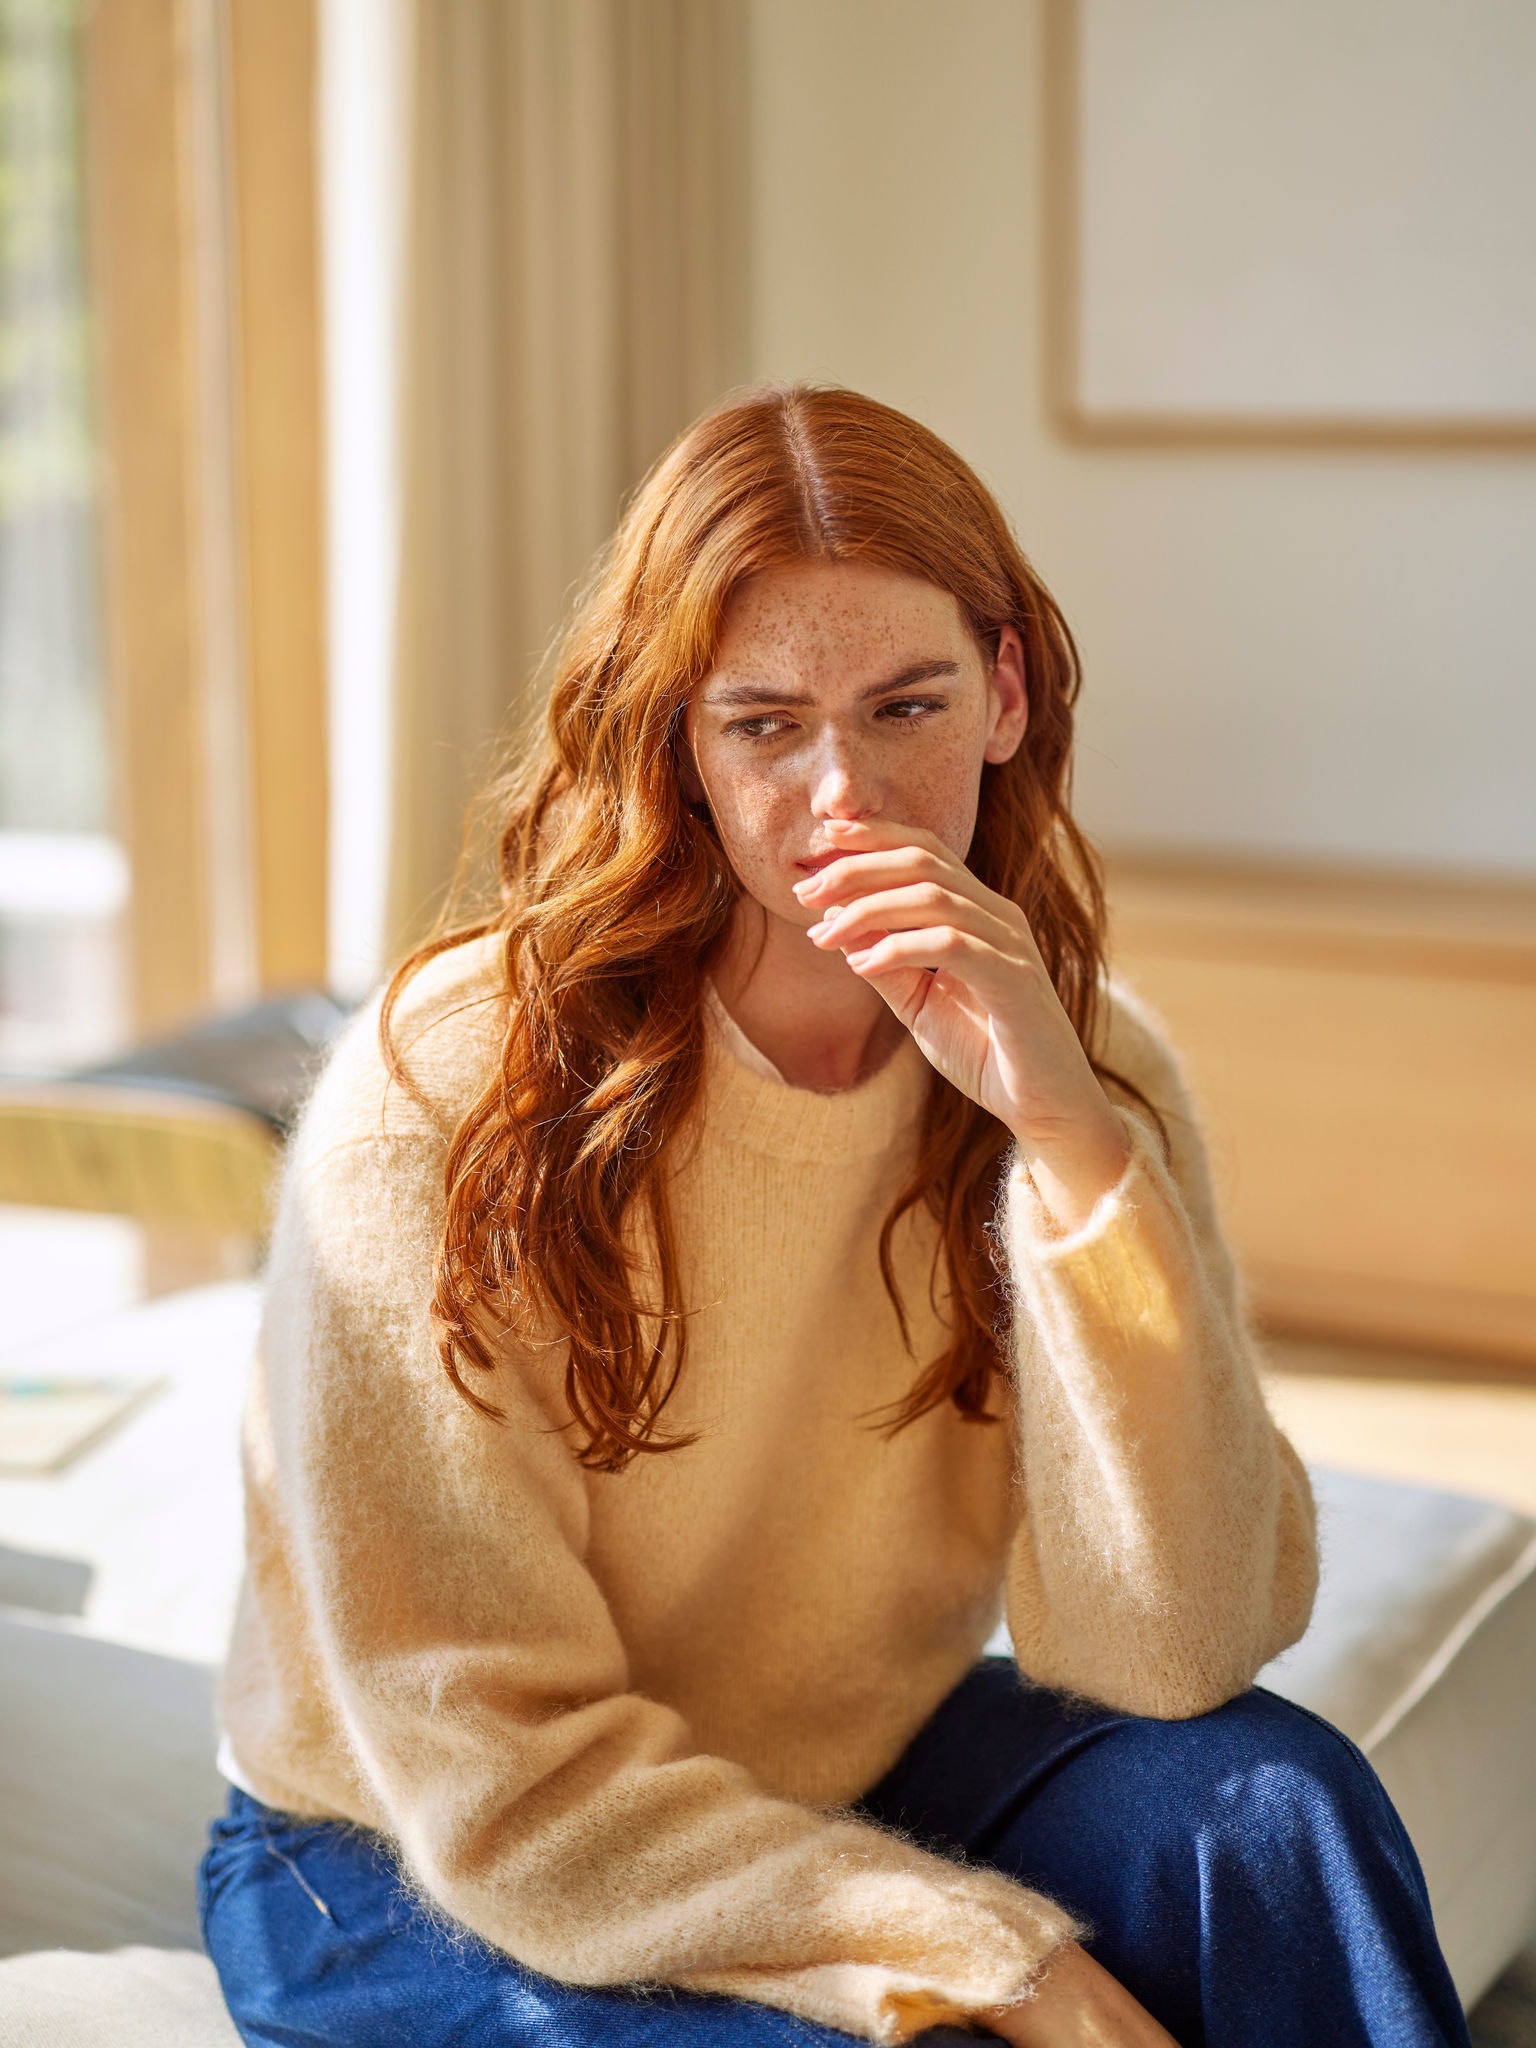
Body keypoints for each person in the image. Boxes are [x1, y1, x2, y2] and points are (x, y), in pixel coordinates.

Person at [201, 386, 1469, 2048]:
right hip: (396, 1865)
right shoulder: (444, 1098)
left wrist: (1072, 1145)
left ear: (1006, 693)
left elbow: (1179, 1643)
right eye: (764, 725)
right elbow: (497, 1780)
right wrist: (991, 1957)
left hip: (850, 1764)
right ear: (679, 740)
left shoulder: (1088, 1062)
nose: (843, 796)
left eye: (906, 705)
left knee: (1276, 1806)